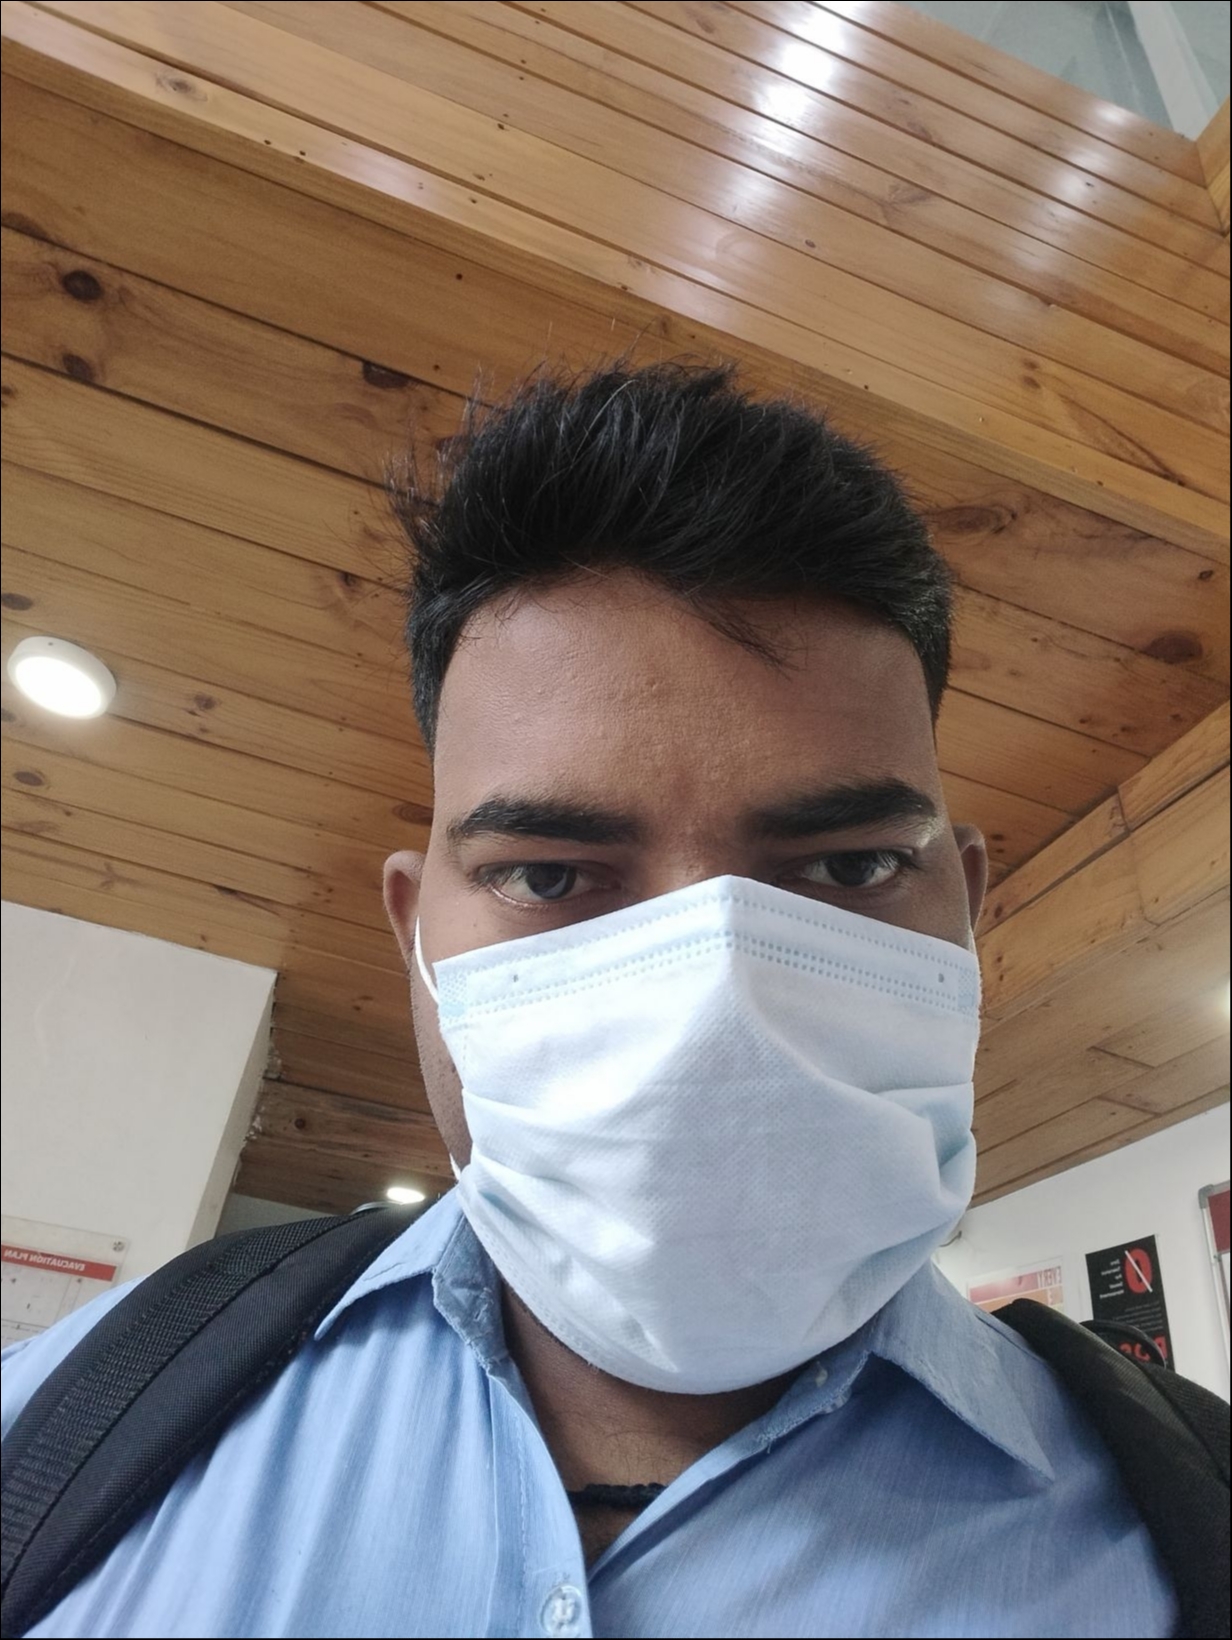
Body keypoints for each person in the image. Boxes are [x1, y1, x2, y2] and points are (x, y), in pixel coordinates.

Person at [0, 363, 1193, 1637]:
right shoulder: (67, 1422)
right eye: (548, 875)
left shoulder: (1191, 1529)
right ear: (414, 934)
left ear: (961, 908)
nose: (709, 1010)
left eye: (847, 867)